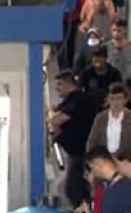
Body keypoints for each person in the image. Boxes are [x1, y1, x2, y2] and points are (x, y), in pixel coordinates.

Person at [49, 72, 99, 211]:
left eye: (59, 84)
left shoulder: (78, 100)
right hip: (73, 152)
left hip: (80, 151)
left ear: (68, 83)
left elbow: (57, 120)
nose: (57, 88)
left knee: (73, 187)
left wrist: (51, 113)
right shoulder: (70, 101)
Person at [87, 83, 131, 156]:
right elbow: (92, 141)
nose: (116, 103)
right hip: (104, 160)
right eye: (112, 98)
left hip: (126, 161)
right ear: (108, 100)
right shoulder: (100, 118)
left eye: (119, 98)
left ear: (125, 100)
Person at [84, 147, 131, 213]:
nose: (93, 173)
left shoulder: (114, 194)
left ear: (98, 164)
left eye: (92, 168)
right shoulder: (121, 185)